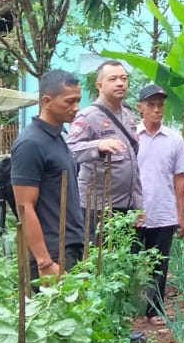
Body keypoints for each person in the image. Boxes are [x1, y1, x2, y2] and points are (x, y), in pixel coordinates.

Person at [11, 70, 86, 279]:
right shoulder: (31, 144)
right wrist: (44, 262)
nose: (76, 108)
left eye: (78, 100)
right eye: (70, 101)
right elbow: (24, 207)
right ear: (47, 101)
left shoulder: (58, 136)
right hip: (51, 252)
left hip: (69, 246)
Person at [65, 60, 141, 244]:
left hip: (127, 207)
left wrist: (139, 206)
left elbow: (133, 164)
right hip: (97, 207)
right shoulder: (88, 116)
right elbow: (69, 150)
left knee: (123, 264)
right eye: (113, 79)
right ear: (99, 85)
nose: (120, 83)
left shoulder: (129, 116)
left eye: (123, 78)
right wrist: (97, 146)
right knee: (97, 263)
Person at [133, 84, 184, 322]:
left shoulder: (174, 139)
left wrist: (181, 215)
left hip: (164, 211)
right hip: (133, 213)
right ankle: (129, 312)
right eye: (151, 105)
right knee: (130, 263)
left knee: (159, 266)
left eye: (160, 105)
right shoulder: (130, 137)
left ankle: (154, 311)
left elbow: (179, 178)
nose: (157, 109)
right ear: (140, 108)